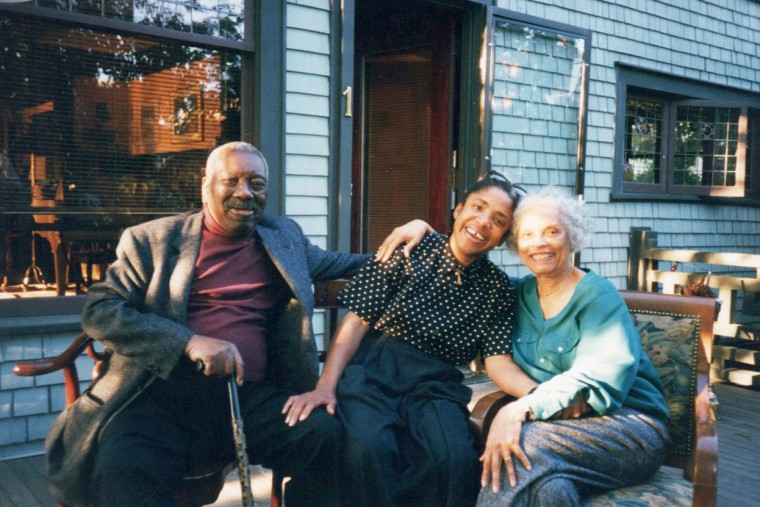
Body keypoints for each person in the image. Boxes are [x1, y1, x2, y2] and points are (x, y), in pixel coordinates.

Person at [44, 142, 371, 507]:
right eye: (231, 181)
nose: (244, 193)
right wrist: (187, 341)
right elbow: (100, 310)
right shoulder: (152, 239)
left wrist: (423, 237)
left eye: (256, 184)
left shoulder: (284, 237)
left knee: (322, 433)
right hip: (161, 398)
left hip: (251, 397)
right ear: (206, 188)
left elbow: (354, 264)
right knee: (125, 466)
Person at [380, 185, 670, 506]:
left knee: (518, 442)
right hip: (558, 426)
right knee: (549, 492)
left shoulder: (597, 296)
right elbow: (459, 263)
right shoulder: (515, 294)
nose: (539, 243)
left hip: (628, 429)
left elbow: (601, 373)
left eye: (551, 231)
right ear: (517, 245)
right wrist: (427, 231)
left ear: (571, 237)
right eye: (528, 235)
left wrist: (520, 408)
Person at [282, 174, 523, 507]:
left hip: (435, 386)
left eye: (498, 221)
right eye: (478, 208)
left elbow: (498, 360)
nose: (483, 223)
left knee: (451, 459)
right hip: (372, 373)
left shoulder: (497, 289)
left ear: (502, 239)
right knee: (369, 447)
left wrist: (541, 396)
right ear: (458, 209)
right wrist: (325, 385)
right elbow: (355, 323)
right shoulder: (410, 249)